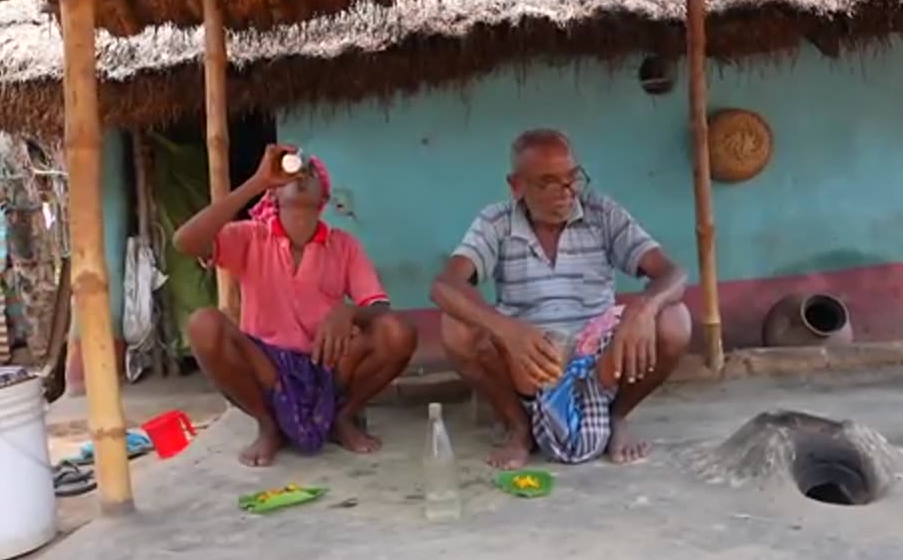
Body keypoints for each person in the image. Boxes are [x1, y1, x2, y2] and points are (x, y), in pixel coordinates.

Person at [431, 128, 691, 469]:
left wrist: (644, 307)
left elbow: (674, 273)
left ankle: (618, 417)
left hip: (599, 359)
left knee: (675, 319)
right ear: (517, 186)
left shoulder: (601, 213)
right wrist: (507, 330)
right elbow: (444, 286)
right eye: (548, 182)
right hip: (529, 357)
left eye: (572, 179)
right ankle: (518, 427)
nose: (567, 193)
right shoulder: (496, 222)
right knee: (456, 326)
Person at [175, 144, 416, 467]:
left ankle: (343, 417)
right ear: (274, 195)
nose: (302, 176)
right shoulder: (250, 236)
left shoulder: (343, 245)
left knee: (397, 332)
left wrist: (348, 312)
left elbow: (381, 309)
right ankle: (268, 425)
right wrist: (257, 183)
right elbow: (185, 242)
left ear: (324, 200)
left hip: (327, 361)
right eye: (294, 172)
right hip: (267, 365)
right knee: (203, 324)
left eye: (312, 172)